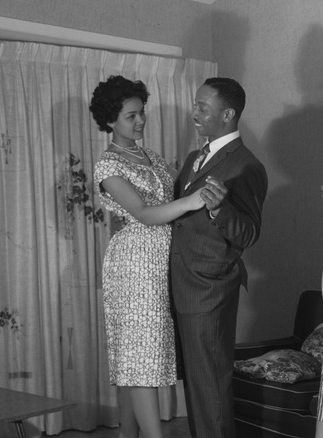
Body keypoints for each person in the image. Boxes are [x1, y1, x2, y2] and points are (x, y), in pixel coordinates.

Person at [91, 75, 206, 438]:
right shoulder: (108, 165)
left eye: (142, 113)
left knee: (139, 355)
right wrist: (191, 201)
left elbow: (182, 182)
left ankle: (128, 435)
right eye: (131, 116)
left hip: (161, 260)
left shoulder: (150, 156)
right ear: (110, 120)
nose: (140, 121)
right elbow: (143, 212)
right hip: (135, 262)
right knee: (140, 358)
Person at [170, 77, 268, 438]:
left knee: (210, 384)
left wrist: (218, 210)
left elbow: (249, 233)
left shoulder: (247, 165)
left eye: (202, 107)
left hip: (208, 288)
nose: (193, 112)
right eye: (195, 105)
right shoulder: (198, 157)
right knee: (197, 385)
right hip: (184, 280)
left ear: (227, 114)